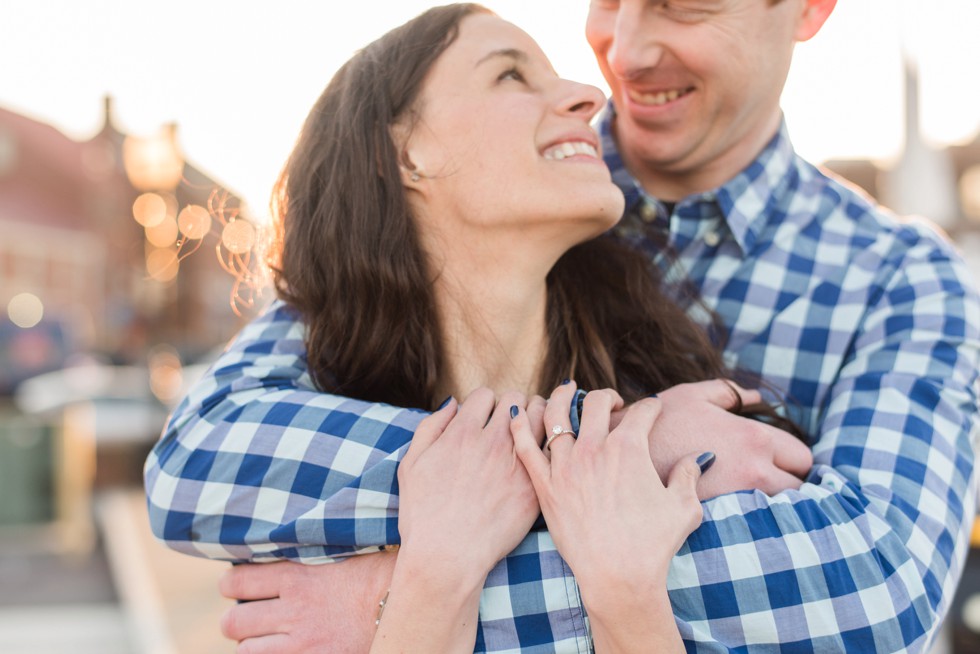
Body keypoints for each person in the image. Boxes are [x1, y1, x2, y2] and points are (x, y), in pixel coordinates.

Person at [145, 0, 980, 652]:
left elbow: (872, 586)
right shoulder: (509, 192)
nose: (622, 53)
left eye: (684, 5)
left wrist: (410, 594)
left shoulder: (899, 281)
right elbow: (204, 455)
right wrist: (626, 451)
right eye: (608, 2)